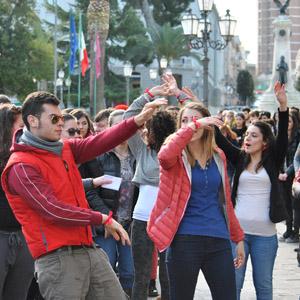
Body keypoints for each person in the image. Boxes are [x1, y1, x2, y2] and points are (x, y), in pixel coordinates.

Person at [1, 91, 157, 300]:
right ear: (33, 120)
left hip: (88, 248)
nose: (60, 123)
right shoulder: (20, 166)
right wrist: (100, 218)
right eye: (54, 118)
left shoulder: (64, 148)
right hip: (58, 259)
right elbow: (51, 209)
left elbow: (102, 141)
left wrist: (136, 121)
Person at [148, 102, 245, 300]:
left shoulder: (218, 156)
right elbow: (164, 157)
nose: (190, 125)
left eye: (195, 120)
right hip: (185, 240)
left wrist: (238, 237)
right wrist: (192, 126)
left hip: (218, 239)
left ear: (207, 125)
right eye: (184, 121)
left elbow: (225, 200)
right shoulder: (175, 155)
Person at [214, 82, 288, 300]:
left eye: (254, 135)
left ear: (265, 143)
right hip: (238, 235)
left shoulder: (273, 161)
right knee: (232, 286)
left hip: (265, 236)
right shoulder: (239, 158)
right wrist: (195, 107)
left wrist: (282, 106)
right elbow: (216, 136)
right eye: (247, 134)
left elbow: (283, 136)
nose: (247, 138)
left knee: (263, 287)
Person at [124, 83, 176, 300]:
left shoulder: (176, 151)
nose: (144, 131)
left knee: (168, 275)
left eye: (149, 128)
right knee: (141, 276)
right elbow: (129, 117)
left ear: (159, 131)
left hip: (169, 219)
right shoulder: (140, 149)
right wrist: (149, 95)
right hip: (142, 219)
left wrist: (179, 96)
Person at [89, 109, 137, 297]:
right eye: (118, 125)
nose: (123, 129)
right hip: (106, 225)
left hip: (131, 225)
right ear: (110, 128)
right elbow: (90, 191)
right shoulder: (99, 155)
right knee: (105, 272)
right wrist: (107, 219)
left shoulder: (138, 154)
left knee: (129, 273)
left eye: (127, 124)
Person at [0, 104, 33, 300]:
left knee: (18, 295)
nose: (26, 132)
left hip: (23, 238)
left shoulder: (28, 157)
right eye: (22, 126)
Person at [278, 111, 300, 243]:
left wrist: (288, 172)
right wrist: (279, 173)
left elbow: (296, 159)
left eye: (290, 121)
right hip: (281, 175)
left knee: (295, 205)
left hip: (294, 175)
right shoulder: (280, 136)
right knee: (285, 204)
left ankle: (295, 232)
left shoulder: (298, 136)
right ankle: (288, 230)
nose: (287, 124)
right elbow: (277, 155)